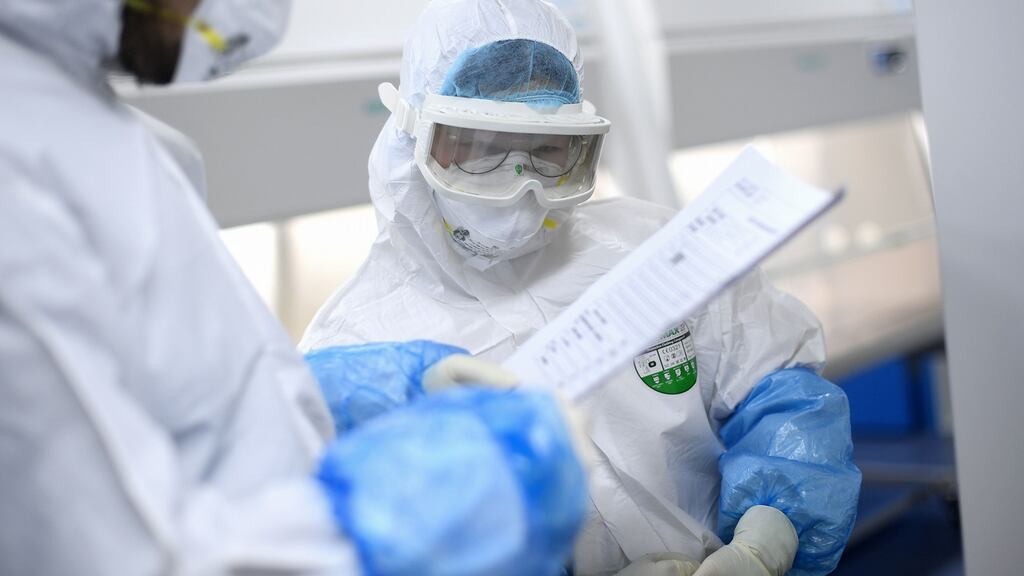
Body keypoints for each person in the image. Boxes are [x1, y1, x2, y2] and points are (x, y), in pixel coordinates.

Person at [0, 1, 589, 575]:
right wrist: (391, 527)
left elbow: (153, 388)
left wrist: (315, 396)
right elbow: (124, 554)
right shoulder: (18, 167)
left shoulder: (80, 116)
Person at [300, 1, 862, 575]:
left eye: (548, 152)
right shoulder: (360, 350)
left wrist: (767, 539)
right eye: (480, 148)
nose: (522, 185)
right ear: (414, 134)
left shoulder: (654, 246)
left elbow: (776, 389)